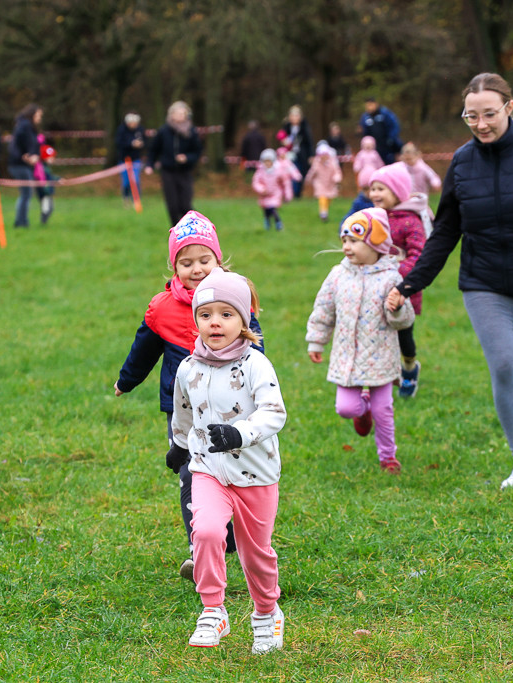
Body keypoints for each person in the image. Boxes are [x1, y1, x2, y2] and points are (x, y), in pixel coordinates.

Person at [387, 72, 513, 490]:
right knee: (504, 365)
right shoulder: (463, 161)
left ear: (509, 108)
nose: (480, 124)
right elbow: (446, 230)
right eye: (470, 116)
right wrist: (410, 281)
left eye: (488, 114)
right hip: (484, 282)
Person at [114, 211, 264, 582]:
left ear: (218, 259)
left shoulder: (234, 293)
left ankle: (239, 535)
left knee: (235, 468)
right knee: (190, 471)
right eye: (186, 262)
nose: (196, 269)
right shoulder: (162, 307)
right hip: (184, 408)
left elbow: (256, 342)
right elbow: (144, 349)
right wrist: (126, 381)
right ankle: (201, 546)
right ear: (174, 265)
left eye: (204, 260)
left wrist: (258, 381)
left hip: (233, 404)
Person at [167, 267, 286, 654]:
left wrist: (240, 433)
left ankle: (266, 614)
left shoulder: (255, 365)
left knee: (256, 554)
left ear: (244, 318)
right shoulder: (188, 368)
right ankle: (213, 610)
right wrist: (179, 445)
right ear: (196, 319)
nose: (215, 322)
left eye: (226, 314)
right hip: (208, 471)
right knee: (204, 533)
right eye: (205, 314)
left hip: (256, 475)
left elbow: (274, 413)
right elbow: (183, 412)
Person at [307, 209, 414, 472]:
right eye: (344, 241)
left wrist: (397, 307)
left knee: (384, 410)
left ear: (376, 243)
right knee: (346, 408)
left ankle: (388, 457)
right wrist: (316, 341)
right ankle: (362, 410)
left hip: (381, 355)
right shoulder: (337, 275)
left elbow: (405, 320)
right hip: (347, 357)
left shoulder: (391, 277)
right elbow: (324, 309)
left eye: (354, 241)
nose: (346, 247)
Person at [369, 163, 427, 397]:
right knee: (376, 334)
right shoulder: (372, 217)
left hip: (403, 289)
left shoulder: (410, 221)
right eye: (372, 188)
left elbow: (419, 253)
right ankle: (379, 379)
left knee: (403, 336)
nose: (374, 194)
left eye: (381, 189)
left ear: (397, 192)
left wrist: (398, 275)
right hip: (373, 289)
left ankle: (410, 368)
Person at [146, 101, 204, 226]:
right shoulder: (163, 131)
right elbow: (154, 149)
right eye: (177, 113)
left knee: (185, 205)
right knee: (172, 205)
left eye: (182, 113)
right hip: (168, 172)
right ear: (171, 115)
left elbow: (197, 151)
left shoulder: (191, 131)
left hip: (185, 172)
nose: (179, 116)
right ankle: (176, 231)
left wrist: (187, 158)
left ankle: (192, 229)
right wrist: (149, 164)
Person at [8, 103, 43, 228]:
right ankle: (21, 222)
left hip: (21, 164)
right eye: (39, 115)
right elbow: (20, 145)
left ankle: (21, 221)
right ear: (32, 114)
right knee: (26, 193)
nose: (40, 118)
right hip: (19, 165)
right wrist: (28, 156)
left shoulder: (24, 125)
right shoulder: (25, 126)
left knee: (26, 193)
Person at [277, 105, 314, 198]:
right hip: (289, 155)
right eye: (292, 116)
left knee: (300, 174)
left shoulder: (304, 128)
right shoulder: (287, 127)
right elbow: (281, 137)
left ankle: (297, 193)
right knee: (290, 173)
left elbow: (309, 142)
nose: (294, 118)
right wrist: (283, 142)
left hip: (302, 155)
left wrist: (311, 155)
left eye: (296, 115)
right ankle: (291, 193)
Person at [304, 141, 342, 223]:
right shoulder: (316, 163)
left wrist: (337, 178)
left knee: (329, 198)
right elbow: (312, 172)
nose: (324, 157)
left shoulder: (332, 163)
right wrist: (308, 179)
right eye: (322, 155)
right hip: (320, 183)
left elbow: (337, 172)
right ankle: (323, 213)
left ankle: (325, 210)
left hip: (330, 183)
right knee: (322, 197)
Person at [115, 112, 147, 205]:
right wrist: (131, 144)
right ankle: (126, 199)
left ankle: (136, 200)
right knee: (126, 182)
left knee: (135, 180)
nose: (134, 125)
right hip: (124, 160)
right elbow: (118, 143)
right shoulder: (121, 130)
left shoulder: (140, 130)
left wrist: (141, 144)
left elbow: (146, 141)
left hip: (136, 159)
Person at [360, 97, 402, 164]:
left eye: (371, 105)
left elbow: (394, 126)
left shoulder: (385, 113)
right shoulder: (365, 117)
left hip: (387, 145)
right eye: (367, 105)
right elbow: (365, 132)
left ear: (375, 104)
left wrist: (391, 139)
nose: (369, 107)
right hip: (374, 147)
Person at [252, 149, 285, 231]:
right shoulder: (260, 172)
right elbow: (256, 182)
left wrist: (285, 192)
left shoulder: (277, 171)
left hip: (275, 194)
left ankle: (278, 222)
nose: (267, 163)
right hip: (264, 195)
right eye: (266, 161)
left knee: (272, 209)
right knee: (266, 210)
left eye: (269, 161)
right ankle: (267, 221)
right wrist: (261, 189)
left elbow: (283, 181)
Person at [34, 133, 58, 224]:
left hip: (47, 191)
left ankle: (43, 223)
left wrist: (57, 179)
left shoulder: (45, 167)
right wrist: (46, 190)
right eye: (51, 157)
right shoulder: (41, 168)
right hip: (44, 192)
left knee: (49, 208)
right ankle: (43, 223)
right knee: (47, 208)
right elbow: (44, 179)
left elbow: (50, 177)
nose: (53, 159)